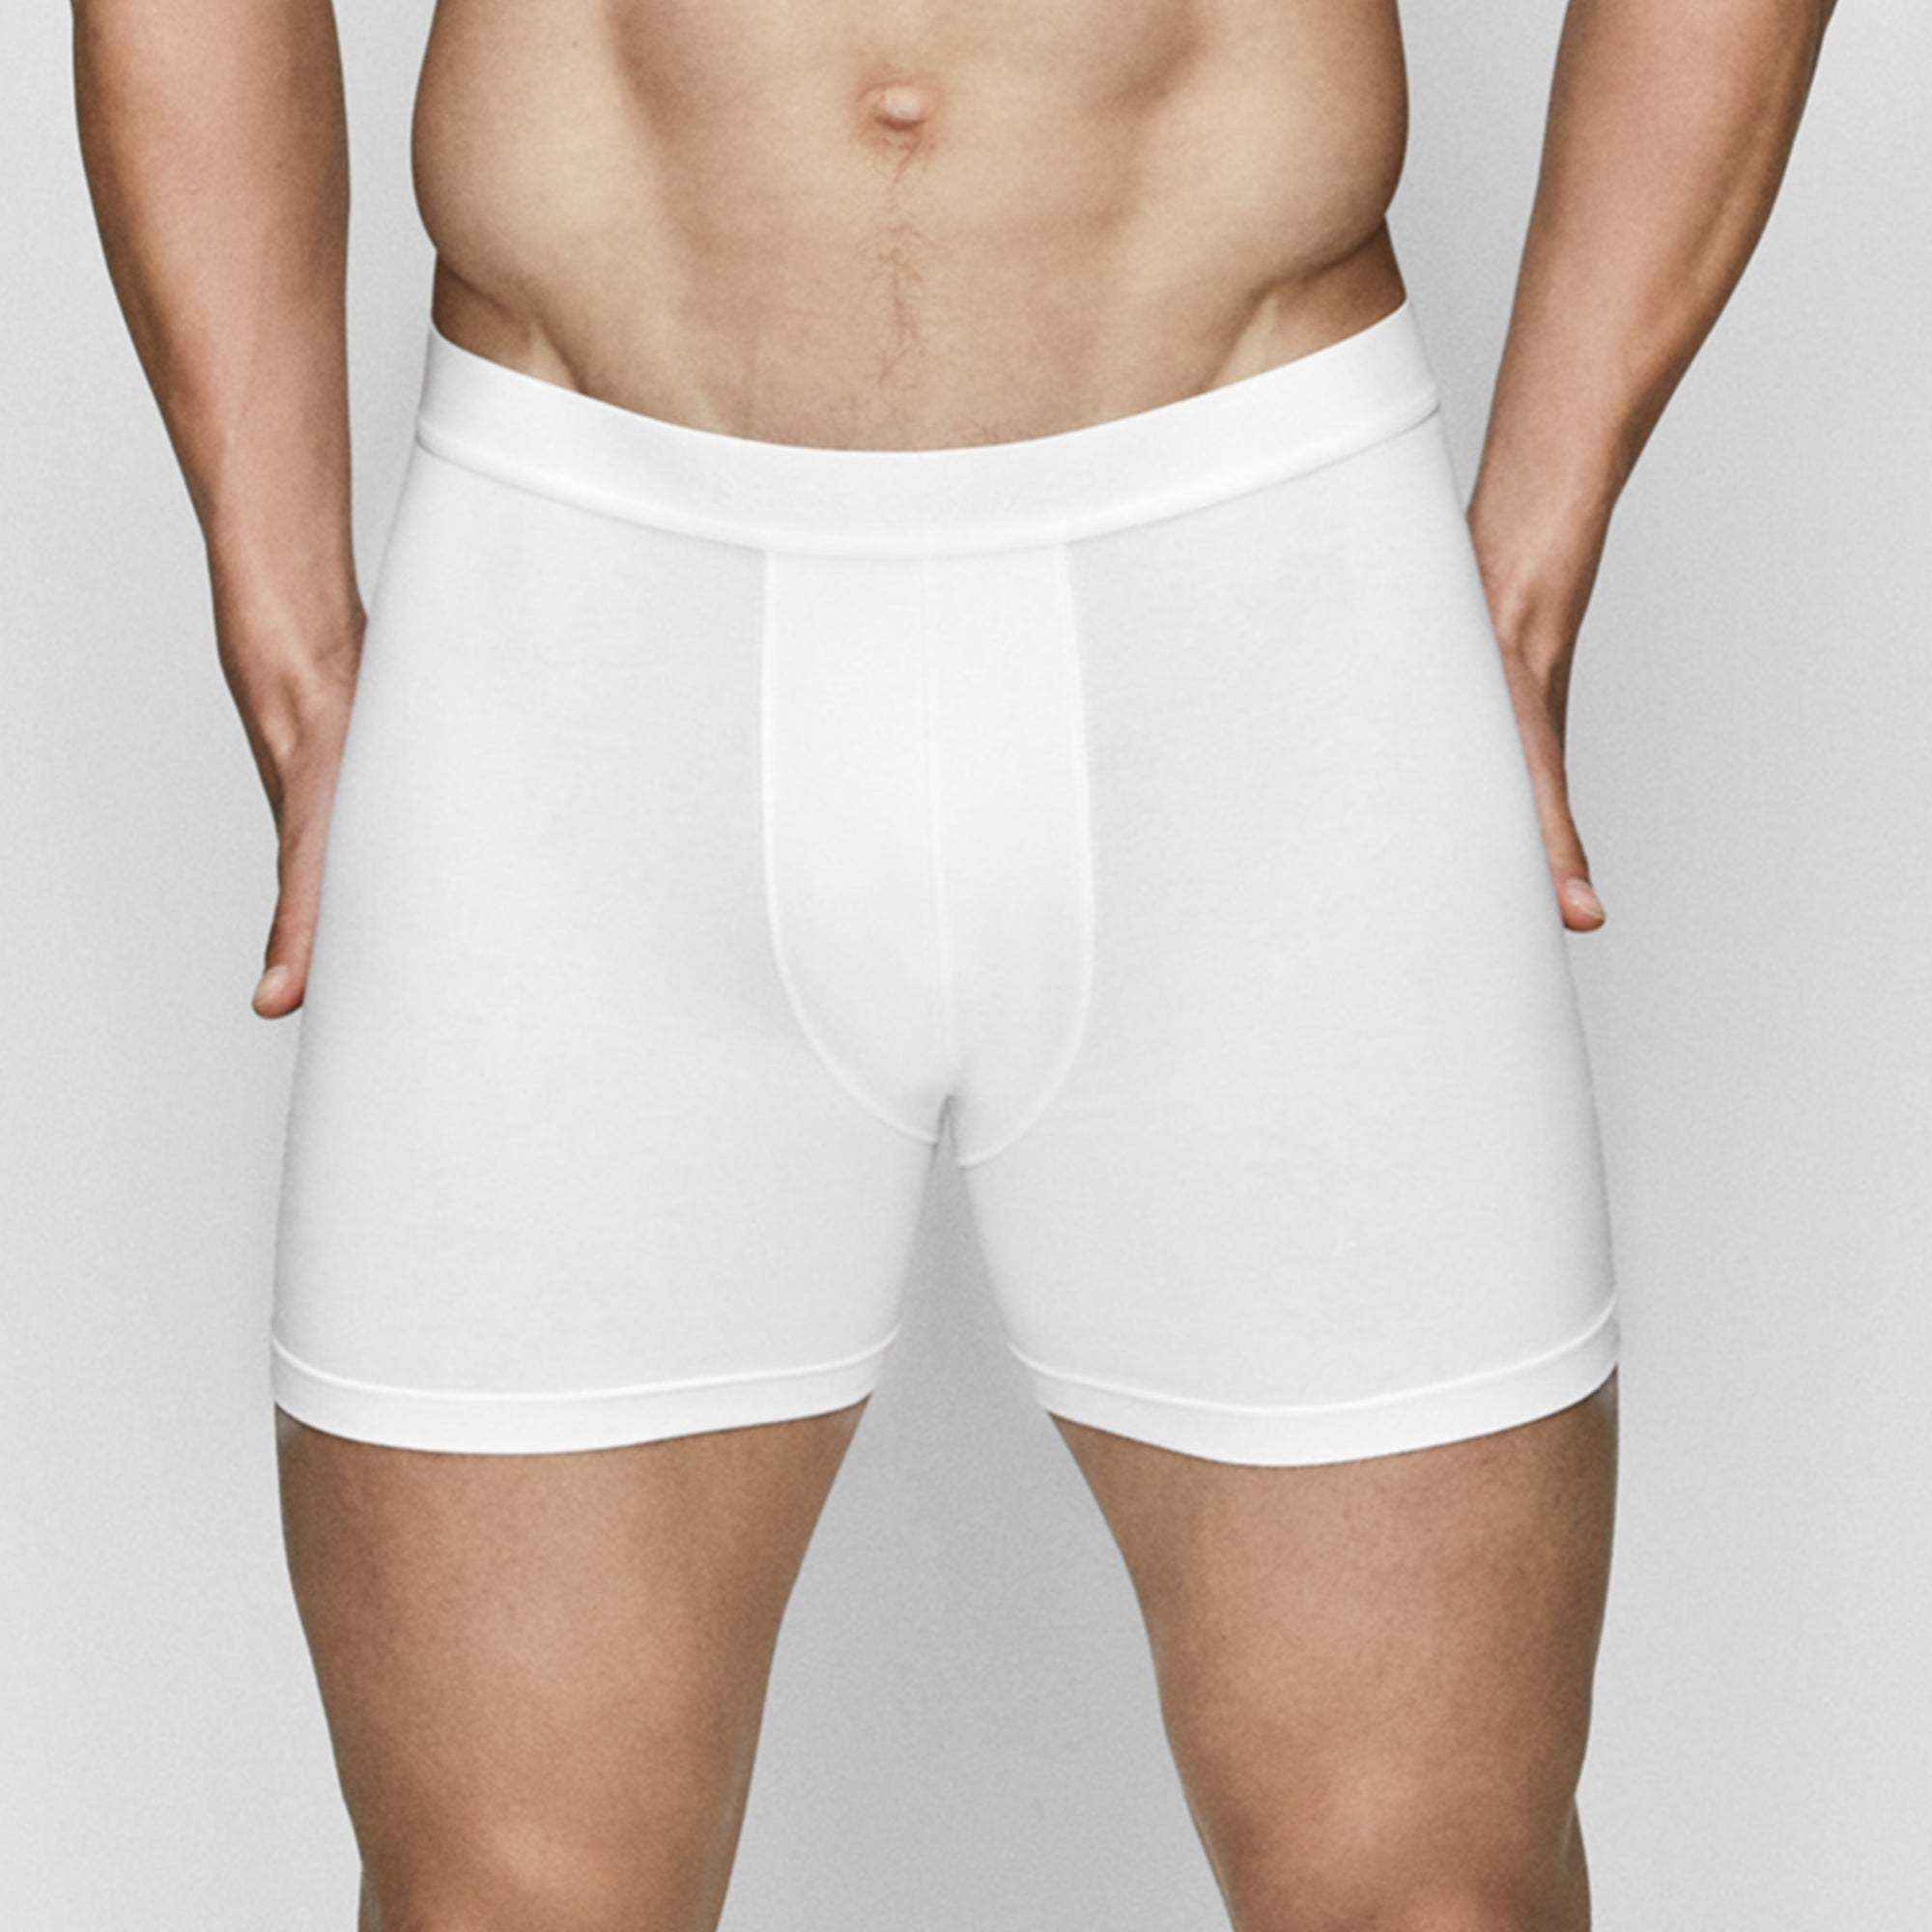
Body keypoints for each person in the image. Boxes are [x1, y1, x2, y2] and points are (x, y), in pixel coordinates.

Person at [71, 1, 1837, 1925]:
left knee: (1430, 1895)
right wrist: (290, 634)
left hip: (1260, 599)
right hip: (576, 629)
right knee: (508, 1901)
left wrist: (1534, 551)